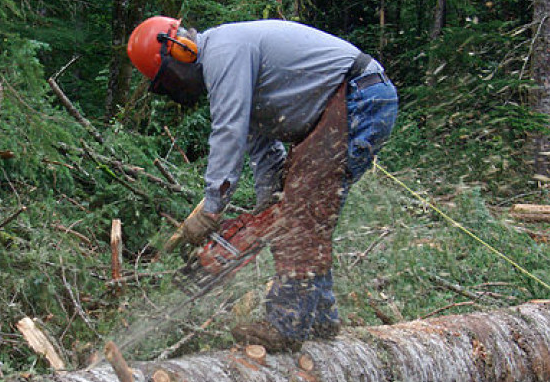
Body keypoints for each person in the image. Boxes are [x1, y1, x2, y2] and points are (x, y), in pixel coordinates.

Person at [127, 17, 398, 350]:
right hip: (345, 103)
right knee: (298, 211)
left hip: (359, 97)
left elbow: (229, 131)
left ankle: (288, 323)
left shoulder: (223, 52)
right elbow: (264, 148)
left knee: (303, 213)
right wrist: (269, 205)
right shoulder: (233, 65)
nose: (175, 88)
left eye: (168, 80)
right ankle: (321, 318)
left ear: (181, 50)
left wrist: (212, 208)